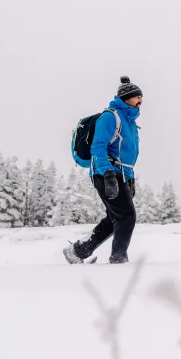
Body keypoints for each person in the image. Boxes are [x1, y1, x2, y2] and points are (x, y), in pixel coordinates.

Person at [63, 76, 143, 264]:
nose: (141, 101)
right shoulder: (110, 117)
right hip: (106, 173)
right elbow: (98, 147)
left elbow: (126, 156)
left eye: (141, 97)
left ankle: (77, 252)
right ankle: (118, 259)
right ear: (126, 98)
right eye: (137, 97)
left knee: (114, 218)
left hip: (120, 173)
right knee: (126, 217)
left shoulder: (130, 121)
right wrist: (108, 174)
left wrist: (129, 179)